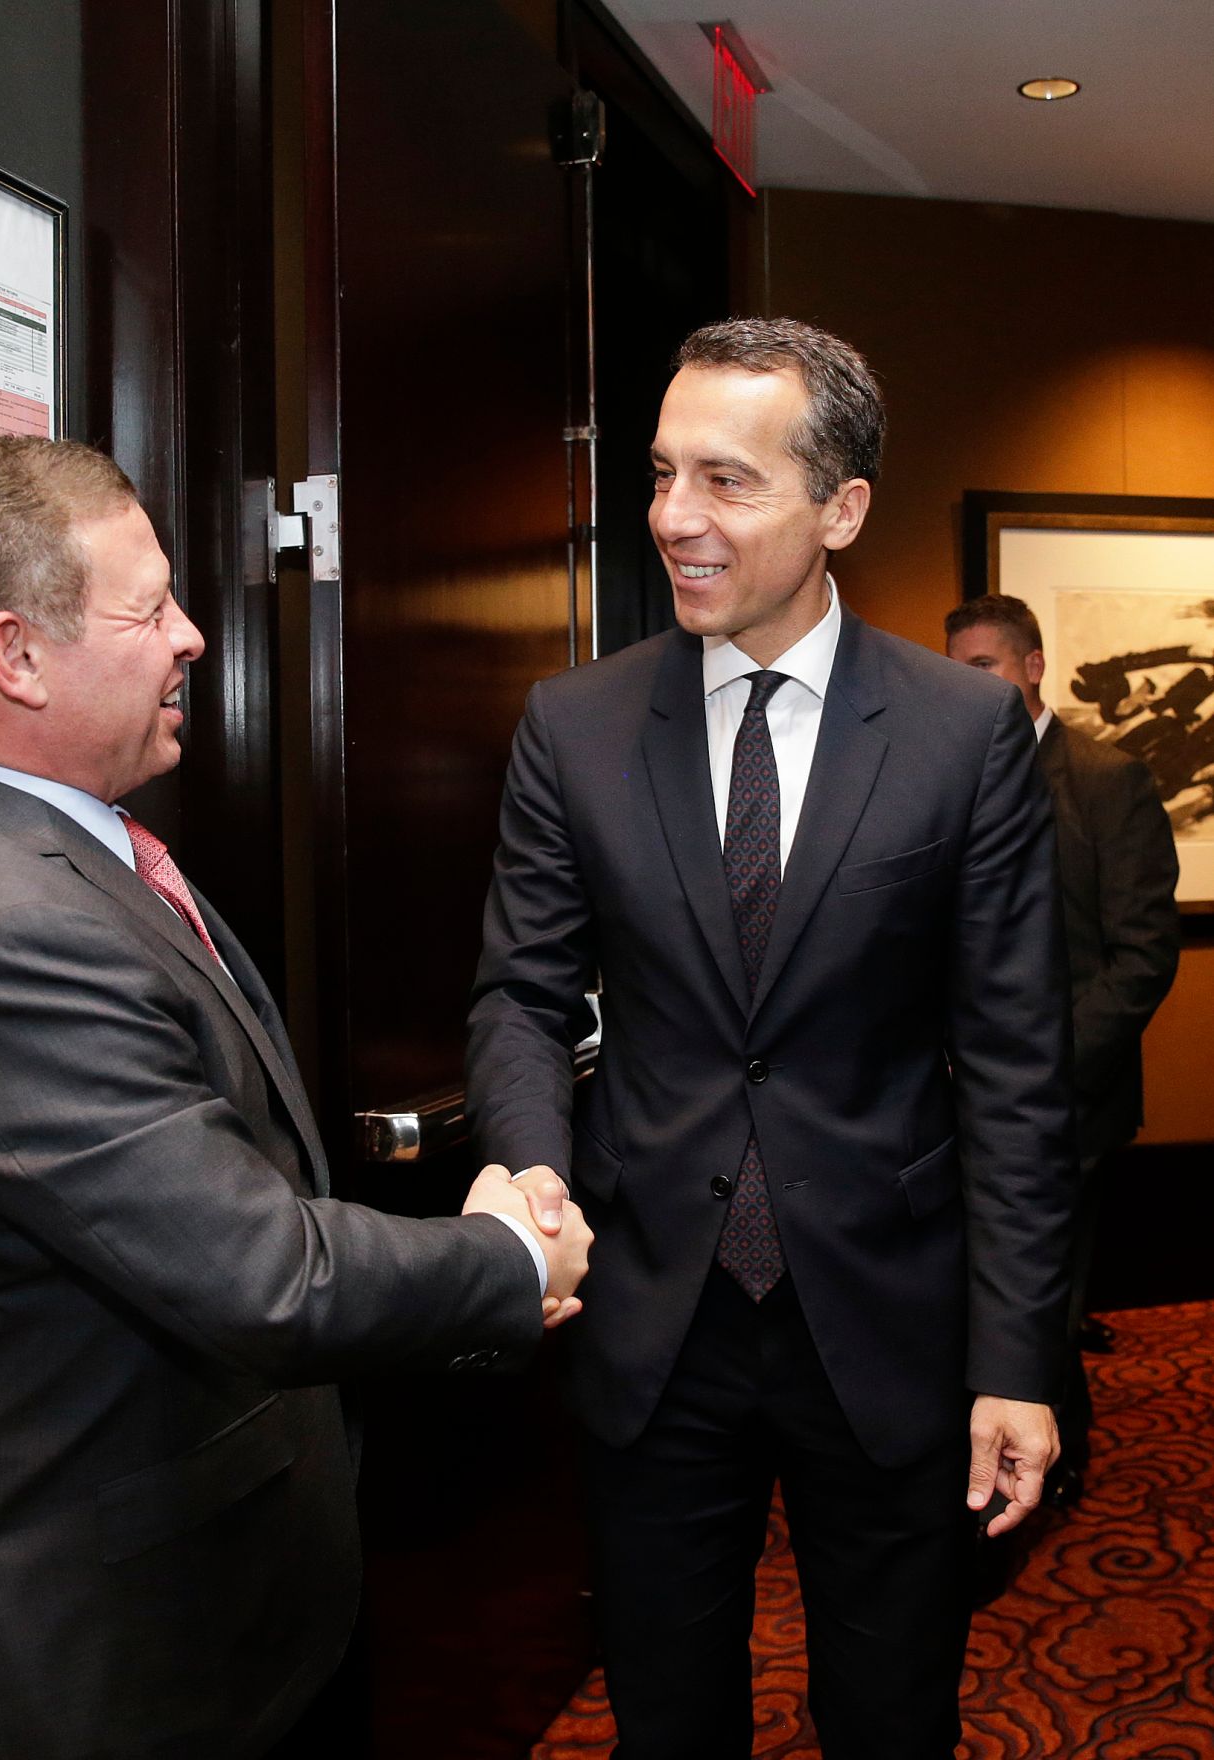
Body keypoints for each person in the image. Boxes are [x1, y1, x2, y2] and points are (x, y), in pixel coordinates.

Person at [0, 434, 592, 1760]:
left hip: (180, 1611)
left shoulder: (40, 854)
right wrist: (508, 1259)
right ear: (16, 655)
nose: (190, 634)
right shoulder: (2, 926)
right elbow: (259, 1270)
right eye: (150, 607)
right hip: (82, 1662)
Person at [466, 319, 1076, 1759]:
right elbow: (520, 996)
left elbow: (1014, 1070)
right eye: (663, 473)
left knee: (890, 1713)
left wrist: (1017, 1356)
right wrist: (532, 1170)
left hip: (887, 1322)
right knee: (666, 1718)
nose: (674, 515)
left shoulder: (961, 733)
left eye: (726, 480)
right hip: (650, 1319)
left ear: (840, 508)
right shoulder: (573, 725)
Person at [946, 592, 1179, 1501]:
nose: (970, 688)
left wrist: (1037, 1070)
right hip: (951, 1097)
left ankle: (1049, 1462)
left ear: (1033, 666)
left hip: (1073, 1097)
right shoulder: (949, 771)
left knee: (1048, 1288)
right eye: (956, 672)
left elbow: (1142, 955)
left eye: (985, 668)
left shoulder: (1107, 778)